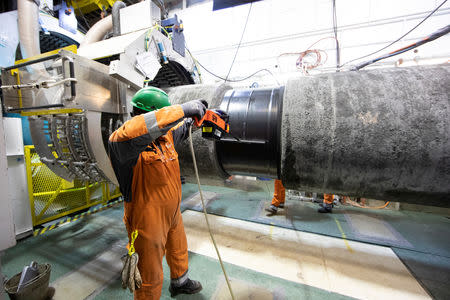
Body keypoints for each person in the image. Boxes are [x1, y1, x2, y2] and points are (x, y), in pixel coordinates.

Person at [108, 87, 207, 300]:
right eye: (163, 115)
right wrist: (183, 108)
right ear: (149, 115)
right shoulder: (122, 142)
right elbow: (141, 127)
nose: (167, 123)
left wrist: (204, 115)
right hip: (146, 219)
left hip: (172, 212)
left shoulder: (166, 136)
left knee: (178, 247)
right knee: (149, 271)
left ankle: (180, 282)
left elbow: (183, 125)